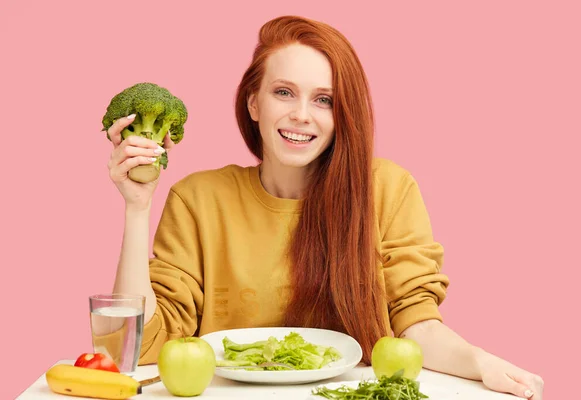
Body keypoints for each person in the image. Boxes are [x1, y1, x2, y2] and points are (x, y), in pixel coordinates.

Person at [103, 15, 543, 399]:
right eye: (283, 92)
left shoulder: (387, 189)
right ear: (254, 103)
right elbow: (139, 347)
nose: (301, 115)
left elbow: (416, 325)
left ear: (342, 113)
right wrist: (137, 208)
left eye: (323, 99)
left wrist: (482, 364)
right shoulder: (198, 199)